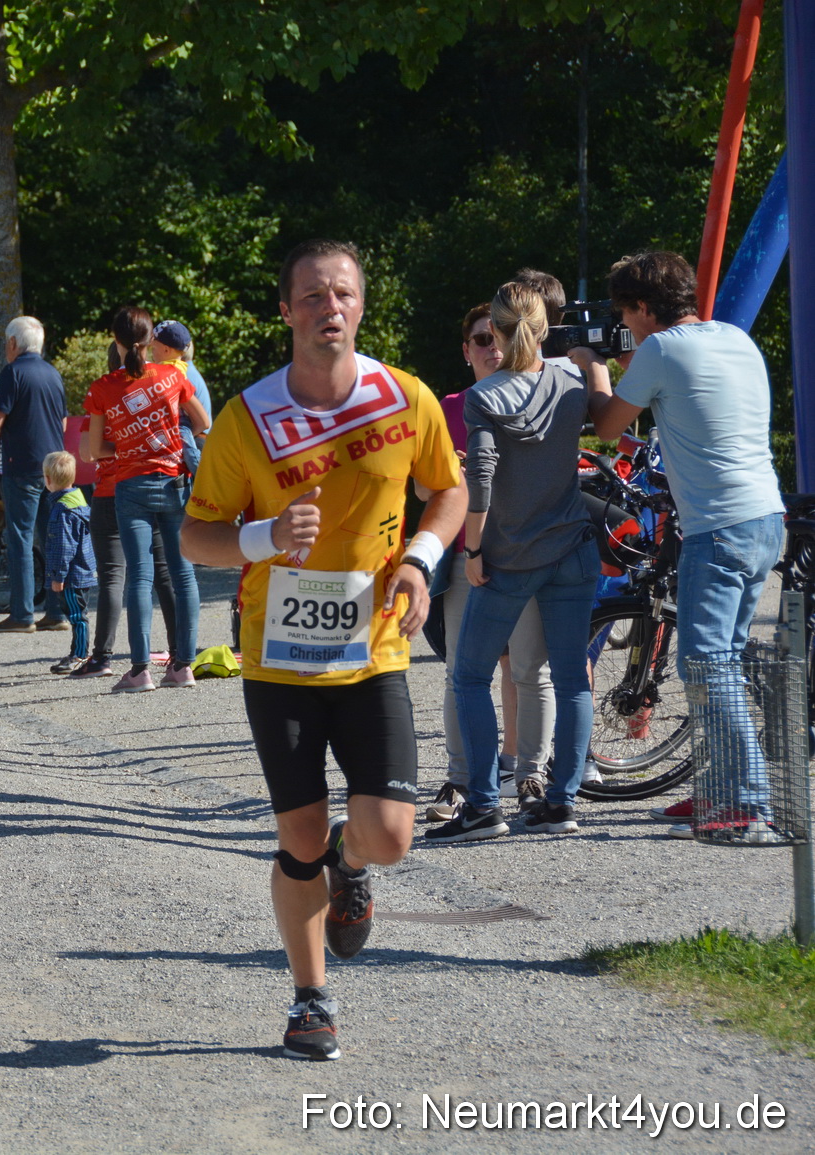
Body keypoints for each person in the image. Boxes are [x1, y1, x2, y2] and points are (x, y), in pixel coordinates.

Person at [181, 239, 465, 1061]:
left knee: (392, 833)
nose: (328, 307)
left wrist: (420, 558)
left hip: (374, 649)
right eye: (311, 296)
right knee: (297, 834)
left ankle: (352, 861)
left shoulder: (403, 399)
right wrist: (265, 536)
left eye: (341, 293)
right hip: (279, 659)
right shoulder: (248, 417)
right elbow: (197, 535)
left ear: (361, 307)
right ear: (286, 311)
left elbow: (447, 489)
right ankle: (311, 999)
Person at [588, 251, 787, 841]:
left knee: (704, 661)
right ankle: (718, 793)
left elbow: (606, 427)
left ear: (645, 309)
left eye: (629, 312)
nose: (629, 324)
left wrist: (592, 366)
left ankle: (748, 806)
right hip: (763, 518)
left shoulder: (661, 349)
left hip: (718, 528)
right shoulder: (734, 337)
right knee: (719, 658)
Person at [426, 282, 601, 844]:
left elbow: (479, 478)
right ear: (545, 327)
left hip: (511, 555)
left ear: (496, 333)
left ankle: (481, 806)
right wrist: (593, 361)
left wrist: (473, 549)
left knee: (471, 675)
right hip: (572, 546)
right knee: (571, 679)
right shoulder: (570, 379)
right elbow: (608, 423)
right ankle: (560, 801)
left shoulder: (486, 395)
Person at [423, 305, 554, 823]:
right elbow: (419, 487)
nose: (491, 346)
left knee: (530, 671)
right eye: (480, 338)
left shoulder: (538, 395)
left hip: (525, 555)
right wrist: (451, 475)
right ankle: (460, 781)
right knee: (461, 672)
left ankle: (531, 777)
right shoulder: (446, 407)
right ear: (466, 350)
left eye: (500, 335)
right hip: (464, 559)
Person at [82, 306, 210, 692]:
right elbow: (202, 423)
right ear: (149, 338)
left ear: (116, 341)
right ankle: (183, 666)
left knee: (139, 575)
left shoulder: (103, 388)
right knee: (182, 571)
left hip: (131, 486)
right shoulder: (173, 375)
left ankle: (139, 671)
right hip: (174, 482)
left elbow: (92, 451)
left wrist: (126, 442)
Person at [77, 342, 182, 680]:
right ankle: (180, 653)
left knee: (112, 576)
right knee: (163, 573)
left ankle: (102, 657)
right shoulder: (154, 388)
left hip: (110, 492)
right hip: (149, 485)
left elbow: (86, 452)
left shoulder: (103, 395)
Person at [0, 316, 69, 633]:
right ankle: (58, 612)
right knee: (53, 540)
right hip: (54, 466)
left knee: (20, 538)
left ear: (14, 343)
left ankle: (22, 613)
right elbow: (62, 425)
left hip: (22, 465)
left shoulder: (13, 372)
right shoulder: (52, 373)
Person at [42, 451, 97, 674]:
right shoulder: (79, 501)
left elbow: (63, 548)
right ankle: (77, 651)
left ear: (47, 480)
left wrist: (58, 576)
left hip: (72, 575)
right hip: (83, 570)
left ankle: (81, 655)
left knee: (77, 615)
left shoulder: (61, 511)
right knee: (77, 613)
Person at [147, 320, 213, 474]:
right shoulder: (182, 368)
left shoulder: (172, 371)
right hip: (189, 428)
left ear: (166, 350)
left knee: (191, 454)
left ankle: (205, 479)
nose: (152, 351)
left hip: (184, 425)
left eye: (154, 347)